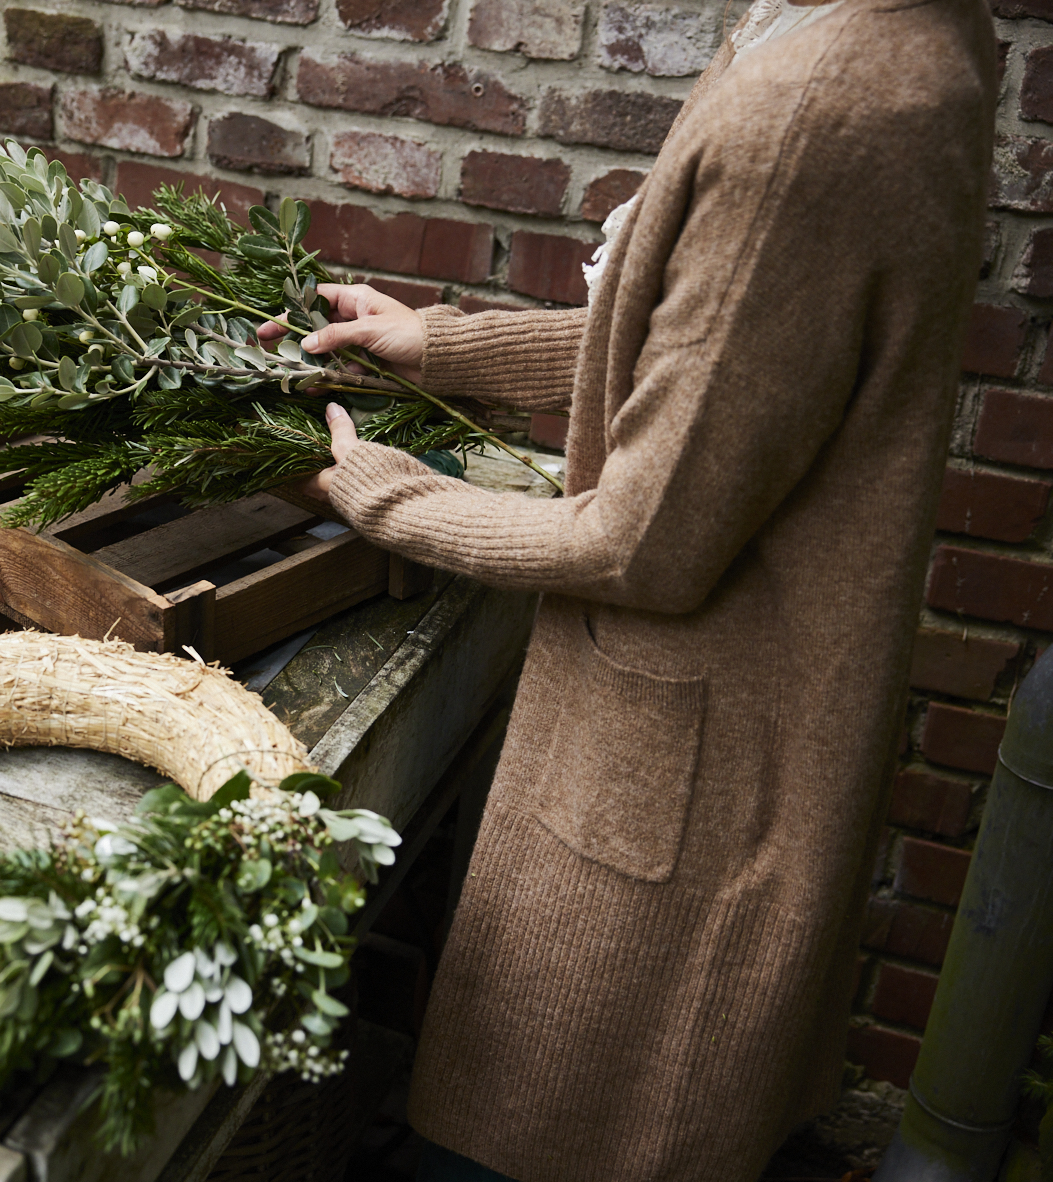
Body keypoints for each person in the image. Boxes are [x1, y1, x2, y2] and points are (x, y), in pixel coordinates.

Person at [266, 0, 996, 1176]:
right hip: (728, 710)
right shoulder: (870, 32)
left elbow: (644, 543)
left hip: (691, 751)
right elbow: (729, 345)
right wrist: (450, 348)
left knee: (557, 1136)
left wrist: (384, 494)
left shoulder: (820, 105)